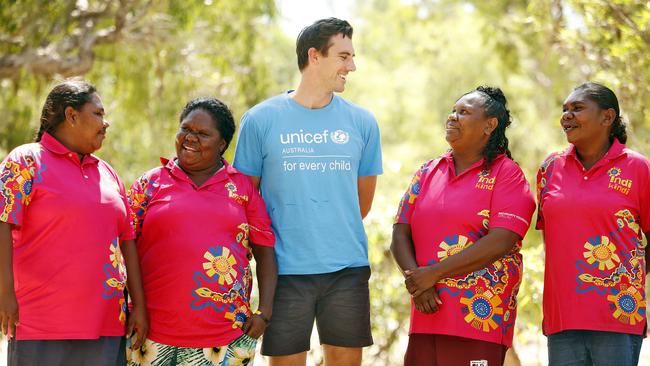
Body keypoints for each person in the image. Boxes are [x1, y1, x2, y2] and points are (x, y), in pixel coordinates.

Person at [233, 17, 382, 366]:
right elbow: (244, 201)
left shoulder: (363, 123)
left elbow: (361, 204)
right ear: (314, 56)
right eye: (343, 56)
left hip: (347, 268)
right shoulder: (260, 120)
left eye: (352, 57)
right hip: (284, 271)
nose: (352, 66)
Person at [0, 78, 147, 365]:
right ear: (71, 115)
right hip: (40, 324)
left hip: (106, 325)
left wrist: (139, 306)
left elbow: (127, 242)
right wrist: (4, 293)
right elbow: (2, 222)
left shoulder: (108, 173)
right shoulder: (26, 161)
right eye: (99, 114)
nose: (106, 124)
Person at [391, 86, 536, 366]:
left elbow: (502, 239)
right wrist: (419, 285)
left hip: (479, 319)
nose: (453, 117)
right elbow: (400, 232)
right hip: (426, 314)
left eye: (464, 112)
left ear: (489, 125)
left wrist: (433, 274)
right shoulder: (427, 171)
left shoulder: (507, 175)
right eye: (453, 110)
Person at [127, 97, 277, 366]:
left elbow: (265, 252)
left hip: (225, 339)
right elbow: (123, 247)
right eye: (186, 129)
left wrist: (263, 313)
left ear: (222, 144)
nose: (190, 138)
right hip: (150, 335)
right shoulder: (150, 184)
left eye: (202, 134)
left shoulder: (242, 189)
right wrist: (134, 307)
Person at [536, 82, 649, 365]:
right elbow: (553, 238)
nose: (566, 116)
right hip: (562, 319)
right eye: (564, 110)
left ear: (607, 117)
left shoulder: (638, 169)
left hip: (617, 317)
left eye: (577, 108)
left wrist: (626, 277)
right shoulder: (550, 169)